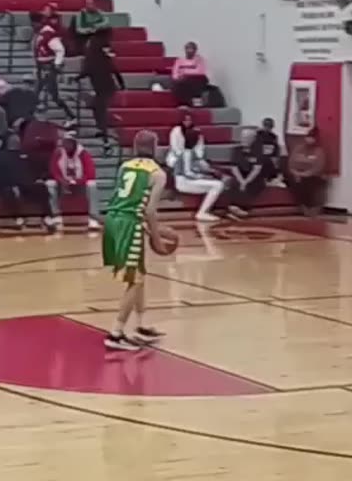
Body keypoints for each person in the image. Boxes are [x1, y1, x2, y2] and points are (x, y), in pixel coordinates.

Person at [102, 130, 176, 351]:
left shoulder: (125, 166)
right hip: (129, 223)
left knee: (139, 275)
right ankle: (115, 334)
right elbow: (150, 211)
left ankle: (141, 325)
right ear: (156, 148)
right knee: (134, 280)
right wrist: (156, 237)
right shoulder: (158, 173)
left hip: (114, 219)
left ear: (134, 148)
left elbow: (128, 200)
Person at [79, 29, 125, 154]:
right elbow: (114, 70)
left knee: (100, 109)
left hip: (106, 89)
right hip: (103, 88)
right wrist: (121, 83)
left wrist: (121, 83)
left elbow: (86, 72)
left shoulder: (96, 59)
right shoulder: (101, 59)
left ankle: (106, 140)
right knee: (96, 108)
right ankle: (102, 129)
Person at [0, 133, 40, 230]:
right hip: (5, 186)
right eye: (13, 140)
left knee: (42, 188)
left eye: (17, 140)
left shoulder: (25, 155)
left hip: (24, 184)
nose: (16, 142)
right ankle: (18, 217)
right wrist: (13, 185)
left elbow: (31, 172)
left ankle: (49, 217)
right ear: (7, 143)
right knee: (9, 192)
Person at [46, 132, 100, 232]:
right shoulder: (58, 153)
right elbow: (53, 170)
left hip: (80, 185)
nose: (66, 145)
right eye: (64, 142)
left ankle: (93, 219)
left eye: (68, 143)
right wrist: (62, 181)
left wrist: (76, 182)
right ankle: (56, 216)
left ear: (74, 143)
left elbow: (90, 174)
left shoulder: (84, 154)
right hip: (63, 185)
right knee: (50, 184)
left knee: (92, 184)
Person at [173, 143, 229, 222]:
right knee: (218, 185)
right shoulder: (187, 153)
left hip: (188, 180)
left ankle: (209, 210)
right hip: (184, 181)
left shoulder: (195, 155)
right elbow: (188, 173)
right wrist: (205, 177)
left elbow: (204, 168)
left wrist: (216, 173)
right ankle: (202, 212)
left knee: (218, 184)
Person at [33, 14, 74, 121]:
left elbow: (60, 50)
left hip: (48, 67)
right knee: (40, 91)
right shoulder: (41, 34)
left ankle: (71, 115)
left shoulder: (48, 35)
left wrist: (56, 64)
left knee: (46, 92)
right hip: (42, 66)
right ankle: (70, 115)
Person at [286, 127, 327, 215]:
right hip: (297, 174)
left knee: (310, 183)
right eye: (308, 137)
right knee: (294, 183)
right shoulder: (298, 149)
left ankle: (312, 208)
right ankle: (303, 207)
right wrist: (296, 173)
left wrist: (304, 174)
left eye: (312, 138)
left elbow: (318, 167)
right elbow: (291, 163)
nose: (309, 139)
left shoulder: (318, 151)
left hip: (311, 175)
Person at [228, 128, 266, 216]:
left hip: (254, 176)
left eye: (247, 137)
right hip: (240, 174)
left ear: (253, 139)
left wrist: (245, 182)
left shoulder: (258, 152)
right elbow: (234, 167)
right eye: (243, 137)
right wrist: (241, 181)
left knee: (252, 184)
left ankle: (243, 208)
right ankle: (233, 206)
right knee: (234, 182)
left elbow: (257, 169)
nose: (244, 139)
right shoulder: (236, 150)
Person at [170, 41, 210, 107]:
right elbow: (175, 72)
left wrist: (184, 72)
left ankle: (194, 102)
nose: (190, 51)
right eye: (188, 49)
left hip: (195, 80)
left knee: (199, 80)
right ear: (185, 50)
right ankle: (184, 103)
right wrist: (178, 78)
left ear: (195, 50)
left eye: (192, 49)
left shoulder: (199, 59)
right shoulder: (179, 60)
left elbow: (200, 71)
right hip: (182, 80)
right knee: (177, 83)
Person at [254, 117, 284, 182]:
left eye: (270, 127)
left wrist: (276, 160)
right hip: (258, 157)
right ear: (263, 125)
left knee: (273, 164)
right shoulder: (257, 134)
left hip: (269, 158)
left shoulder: (274, 136)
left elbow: (276, 150)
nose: (267, 128)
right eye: (266, 126)